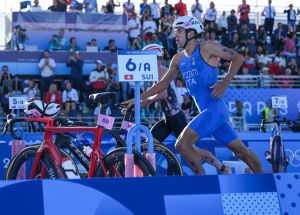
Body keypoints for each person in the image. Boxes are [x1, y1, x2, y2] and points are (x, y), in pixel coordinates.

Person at [122, 16, 263, 175]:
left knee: (182, 145)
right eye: (176, 32)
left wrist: (224, 83)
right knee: (241, 152)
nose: (176, 35)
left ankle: (201, 183)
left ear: (191, 33)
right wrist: (136, 99)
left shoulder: (207, 48)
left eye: (179, 31)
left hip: (215, 111)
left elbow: (238, 58)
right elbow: (162, 84)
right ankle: (266, 178)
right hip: (209, 113)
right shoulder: (178, 59)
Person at [135, 44, 231, 174]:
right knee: (149, 144)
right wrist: (146, 101)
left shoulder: (161, 71)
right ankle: (150, 172)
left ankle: (222, 167)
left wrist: (146, 100)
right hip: (167, 119)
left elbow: (163, 94)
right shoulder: (156, 71)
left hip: (176, 118)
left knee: (194, 150)